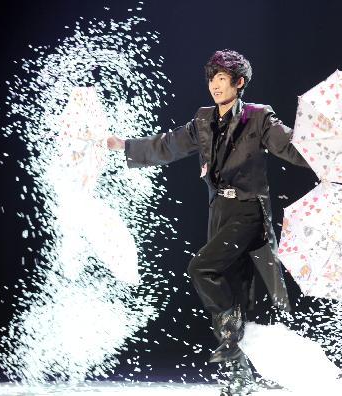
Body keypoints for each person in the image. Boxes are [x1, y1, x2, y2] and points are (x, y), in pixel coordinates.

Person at [107, 49, 310, 395]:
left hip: (249, 214)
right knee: (234, 294)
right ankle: (237, 381)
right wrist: (124, 145)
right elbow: (168, 145)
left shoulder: (258, 118)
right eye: (211, 79)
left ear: (239, 82)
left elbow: (293, 148)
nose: (215, 86)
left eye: (221, 79)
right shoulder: (203, 120)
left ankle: (232, 342)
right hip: (221, 214)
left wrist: (328, 157)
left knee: (202, 268)